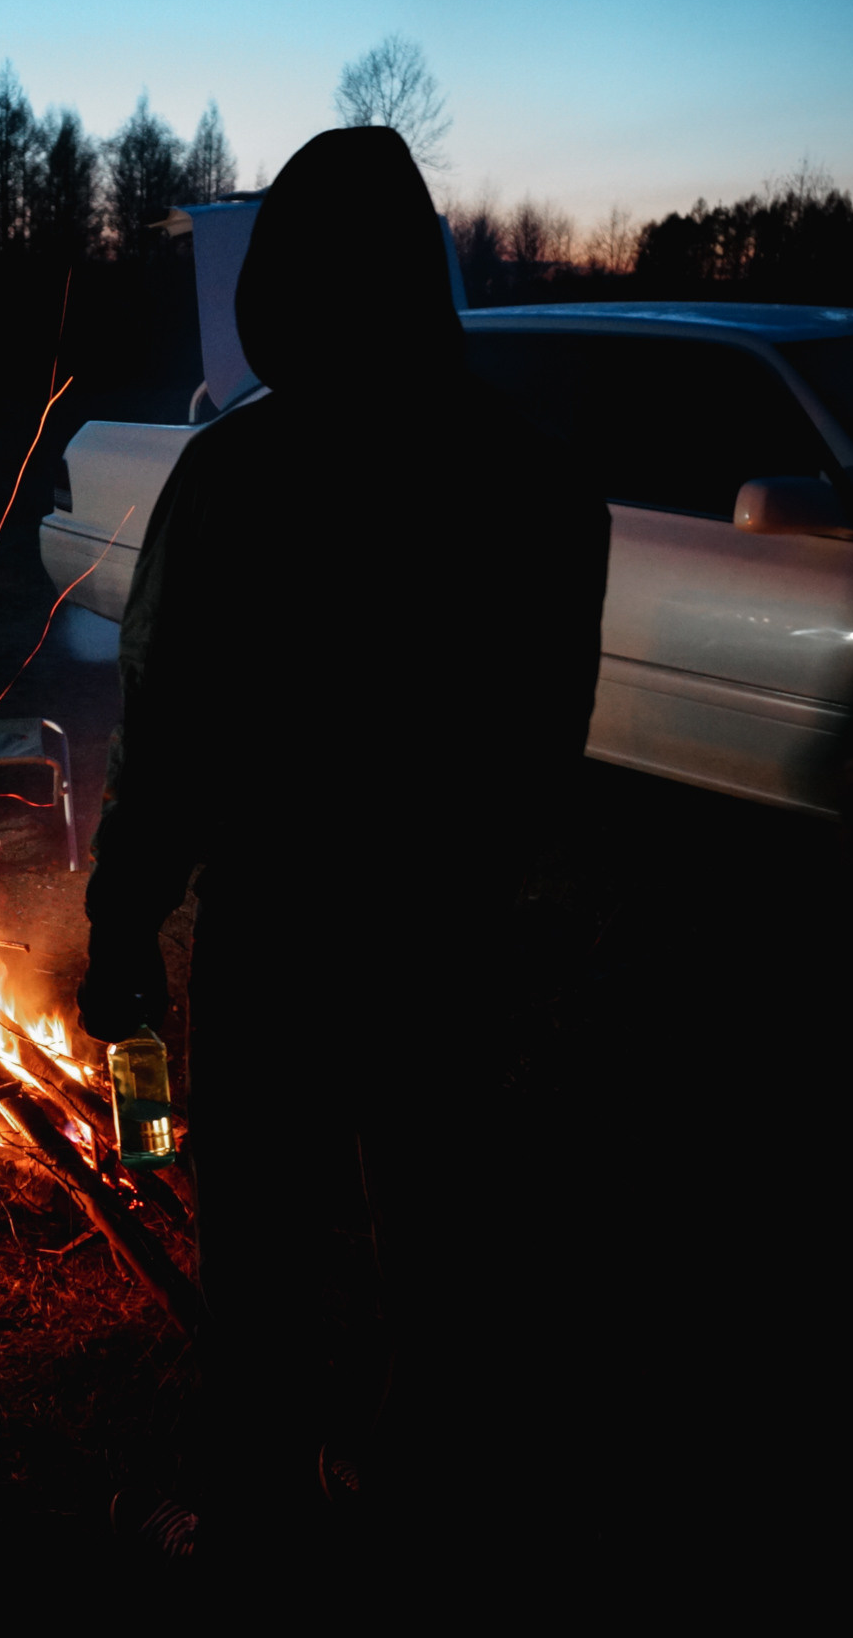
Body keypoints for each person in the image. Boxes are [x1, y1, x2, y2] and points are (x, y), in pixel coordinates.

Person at [75, 127, 611, 1565]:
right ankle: (416, 1483)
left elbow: (168, 729)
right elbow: (544, 747)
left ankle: (251, 1516)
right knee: (436, 1228)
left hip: (283, 940)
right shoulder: (543, 487)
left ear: (289, 291)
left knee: (259, 1253)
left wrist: (122, 929)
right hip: (447, 933)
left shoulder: (242, 477)